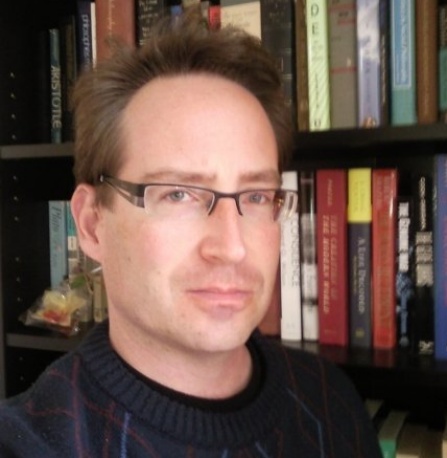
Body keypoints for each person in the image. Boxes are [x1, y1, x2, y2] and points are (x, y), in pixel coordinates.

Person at [0, 9, 382, 457]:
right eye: (178, 195)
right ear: (91, 223)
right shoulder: (28, 443)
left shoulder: (329, 399)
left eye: (257, 196)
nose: (232, 248)